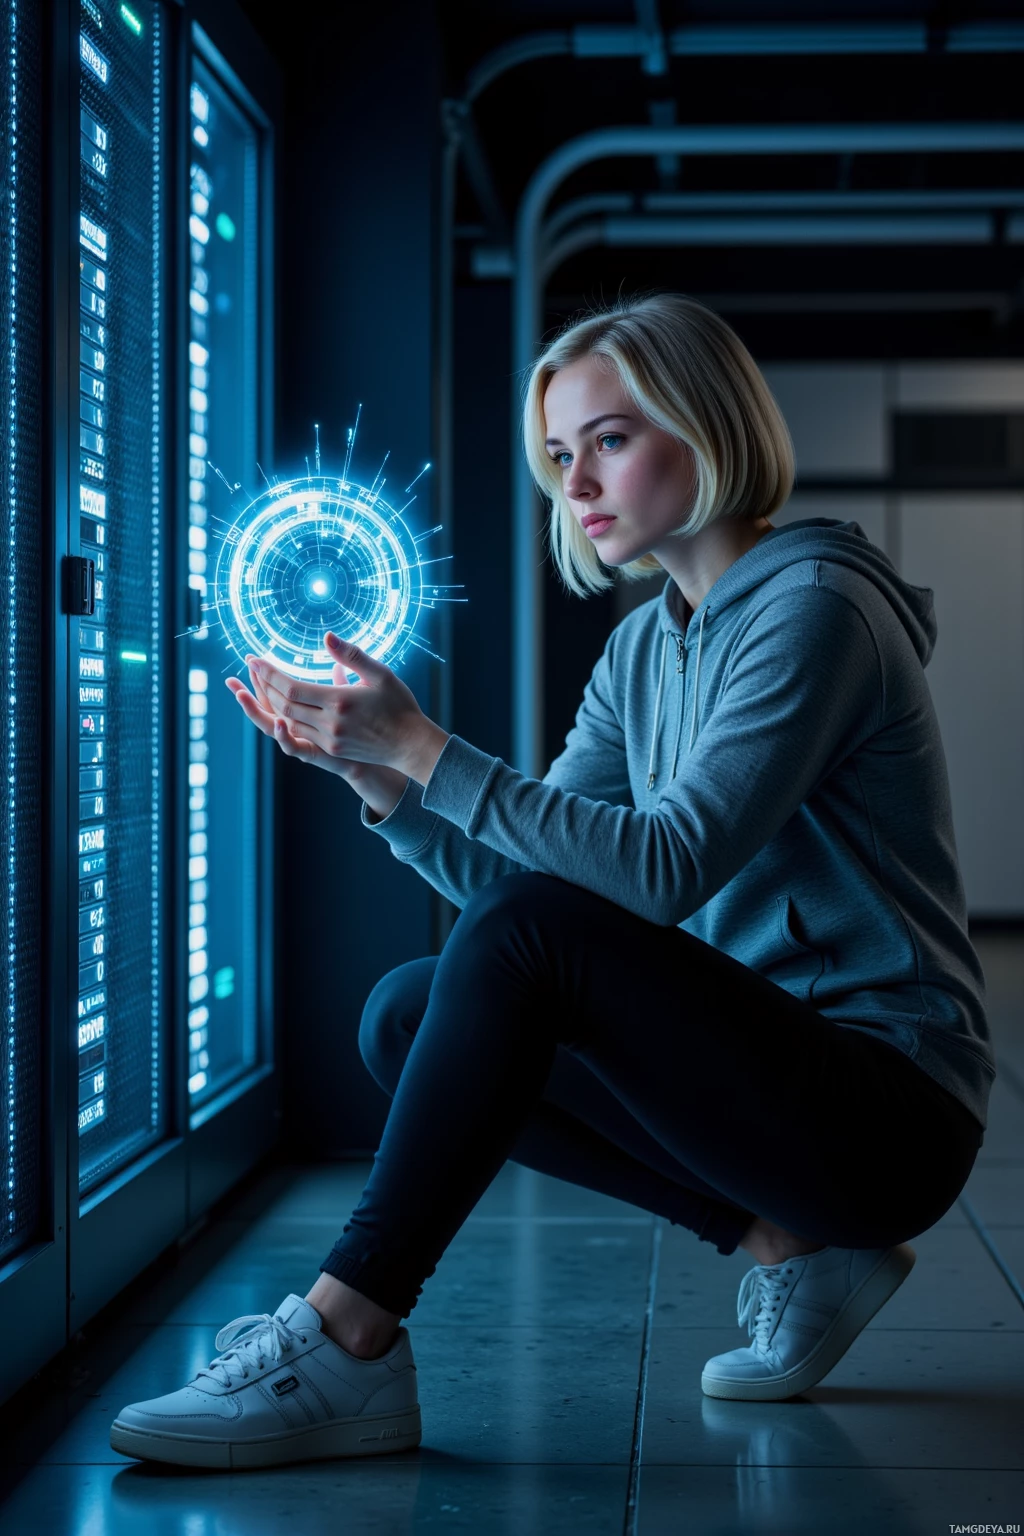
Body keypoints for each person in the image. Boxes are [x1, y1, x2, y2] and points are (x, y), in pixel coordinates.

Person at [110, 293, 992, 1471]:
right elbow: (515, 890)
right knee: (407, 1012)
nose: (576, 483)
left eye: (611, 440)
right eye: (561, 454)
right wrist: (379, 778)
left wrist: (429, 747)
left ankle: (346, 1335)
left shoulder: (815, 608)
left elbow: (665, 867)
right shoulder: (645, 644)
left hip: (888, 1111)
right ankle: (790, 1243)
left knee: (523, 938)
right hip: (772, 1092)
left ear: (710, 425)